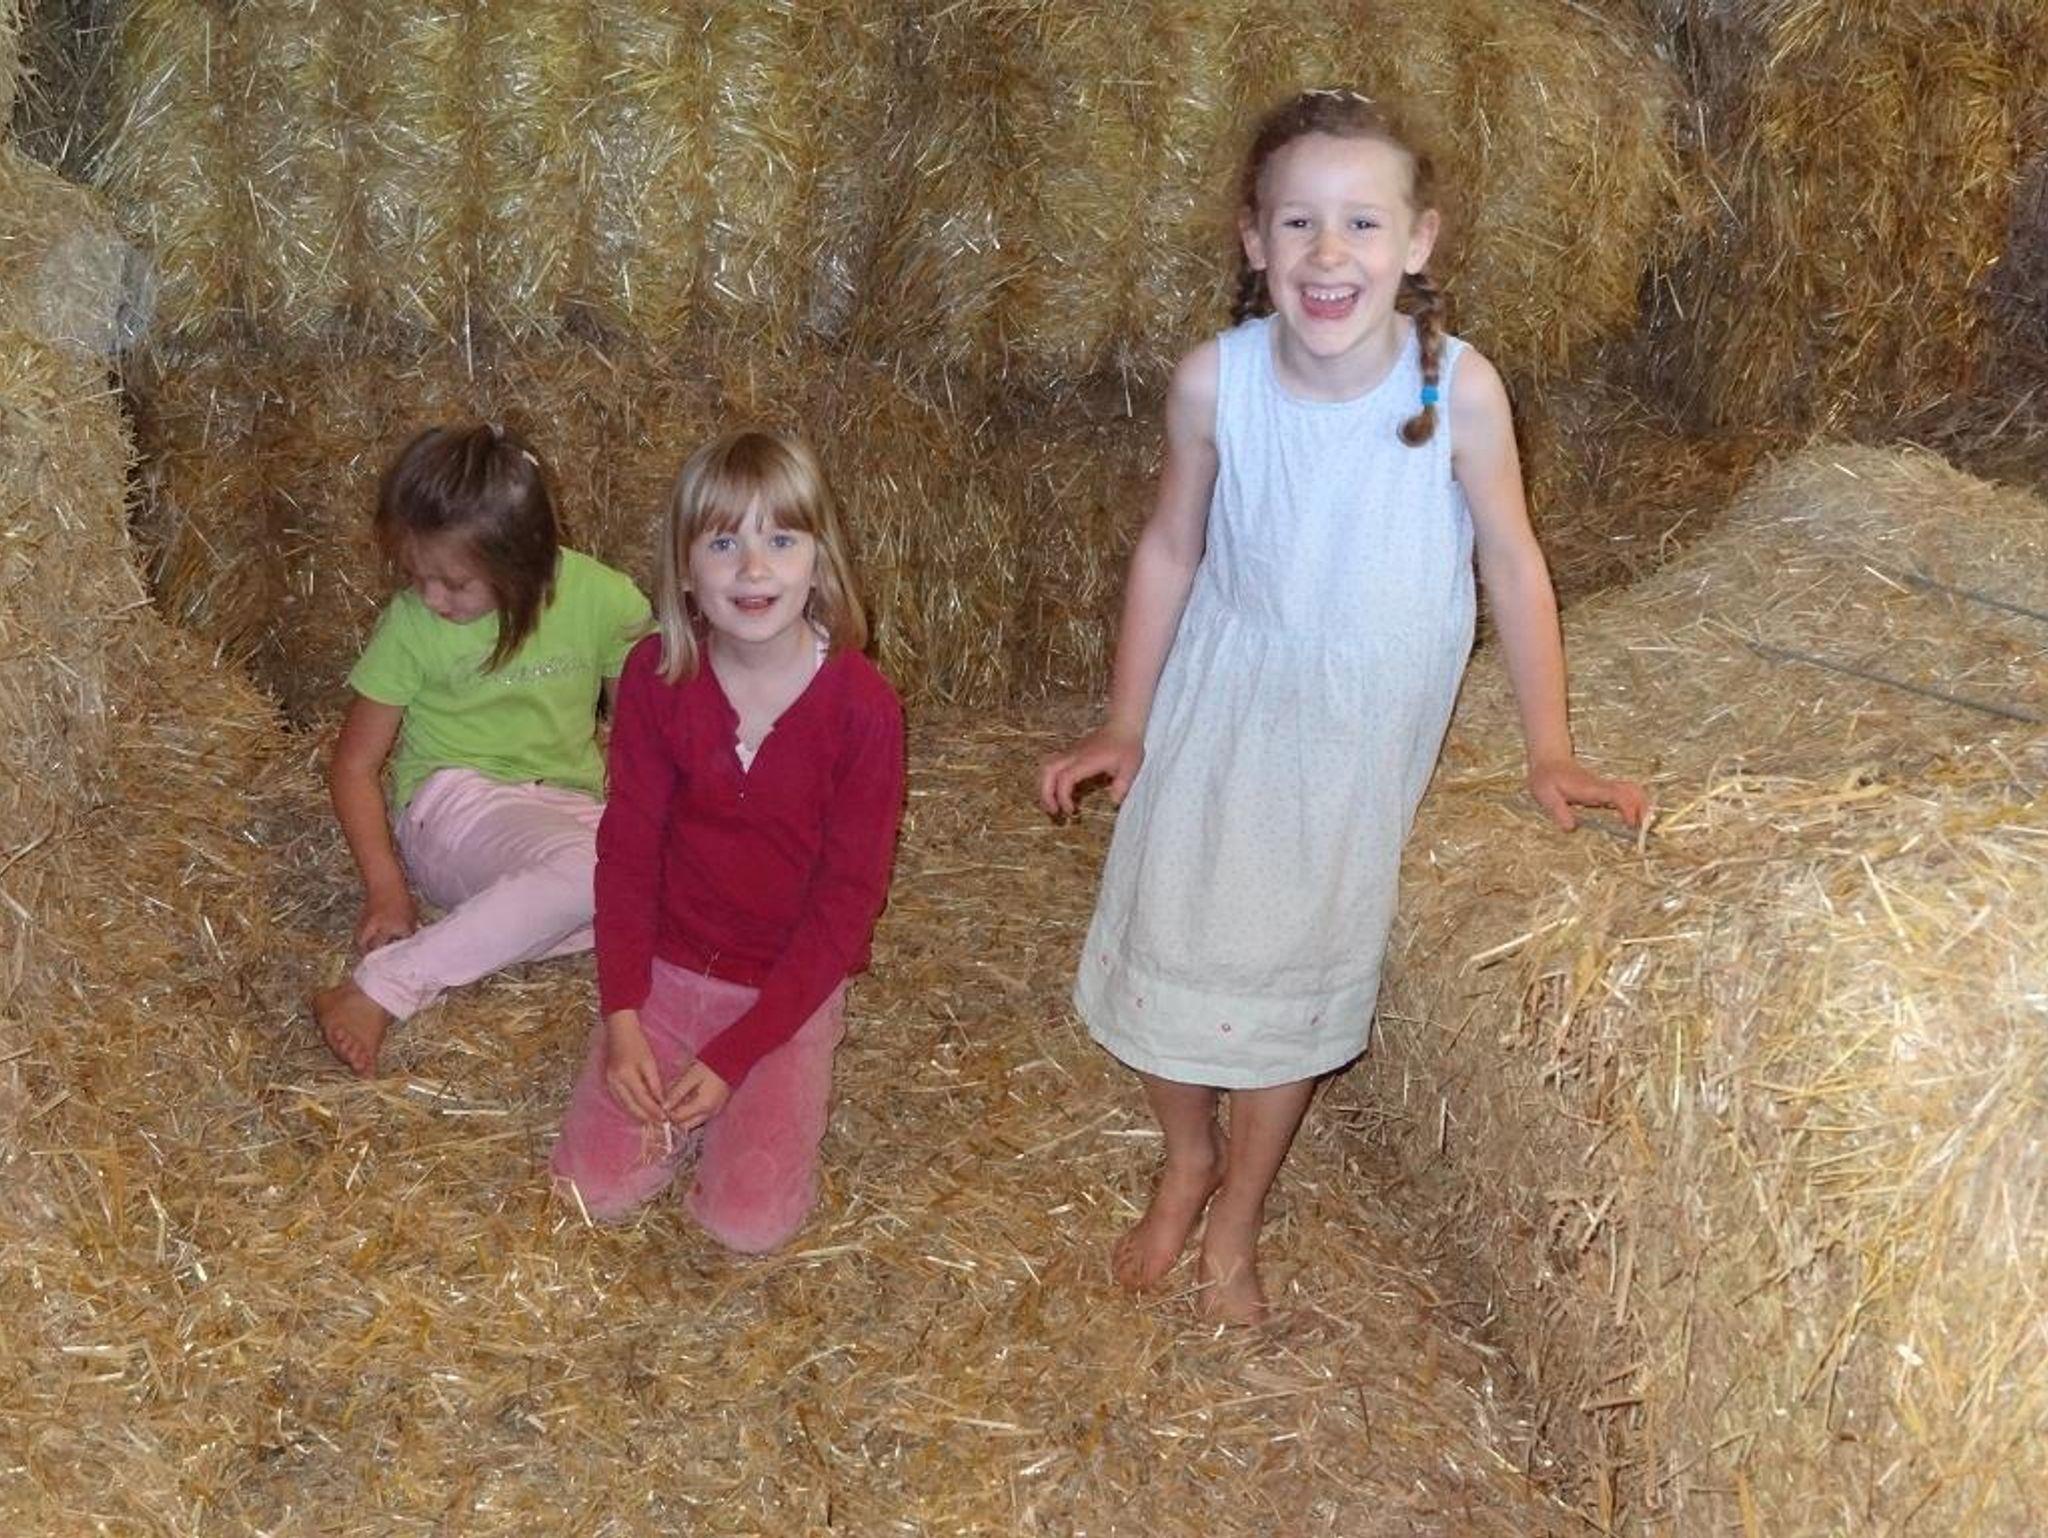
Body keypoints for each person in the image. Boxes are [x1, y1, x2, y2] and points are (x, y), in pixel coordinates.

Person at [1038, 89, 1648, 1325]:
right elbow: (1169, 547)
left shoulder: (1457, 390)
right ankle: (1186, 1157)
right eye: (1298, 222)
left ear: (1416, 241)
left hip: (1357, 728)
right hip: (1224, 694)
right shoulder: (1213, 384)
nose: (1329, 252)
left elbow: (1510, 559)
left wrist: (1549, 746)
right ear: (1252, 239)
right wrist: (1123, 719)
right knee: (1170, 920)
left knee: (1293, 968)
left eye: (1362, 223)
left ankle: (1239, 1208)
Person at [551, 429, 904, 1254]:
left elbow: (848, 902)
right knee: (588, 1193)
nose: (752, 569)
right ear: (684, 570)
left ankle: (751, 1101)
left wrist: (738, 1054)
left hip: (784, 986)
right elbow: (627, 854)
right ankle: (676, 1097)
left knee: (748, 1226)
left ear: (820, 561)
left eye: (781, 540)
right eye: (722, 543)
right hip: (669, 967)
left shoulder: (863, 709)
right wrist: (623, 1015)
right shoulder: (656, 678)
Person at [313, 423, 650, 1077]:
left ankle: (500, 926)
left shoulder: (604, 598)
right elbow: (354, 765)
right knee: (600, 873)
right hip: (455, 804)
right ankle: (381, 987)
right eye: (418, 577)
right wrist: (387, 888)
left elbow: (645, 728)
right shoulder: (413, 627)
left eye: (454, 583)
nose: (431, 598)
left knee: (672, 887)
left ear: (522, 558)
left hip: (568, 810)